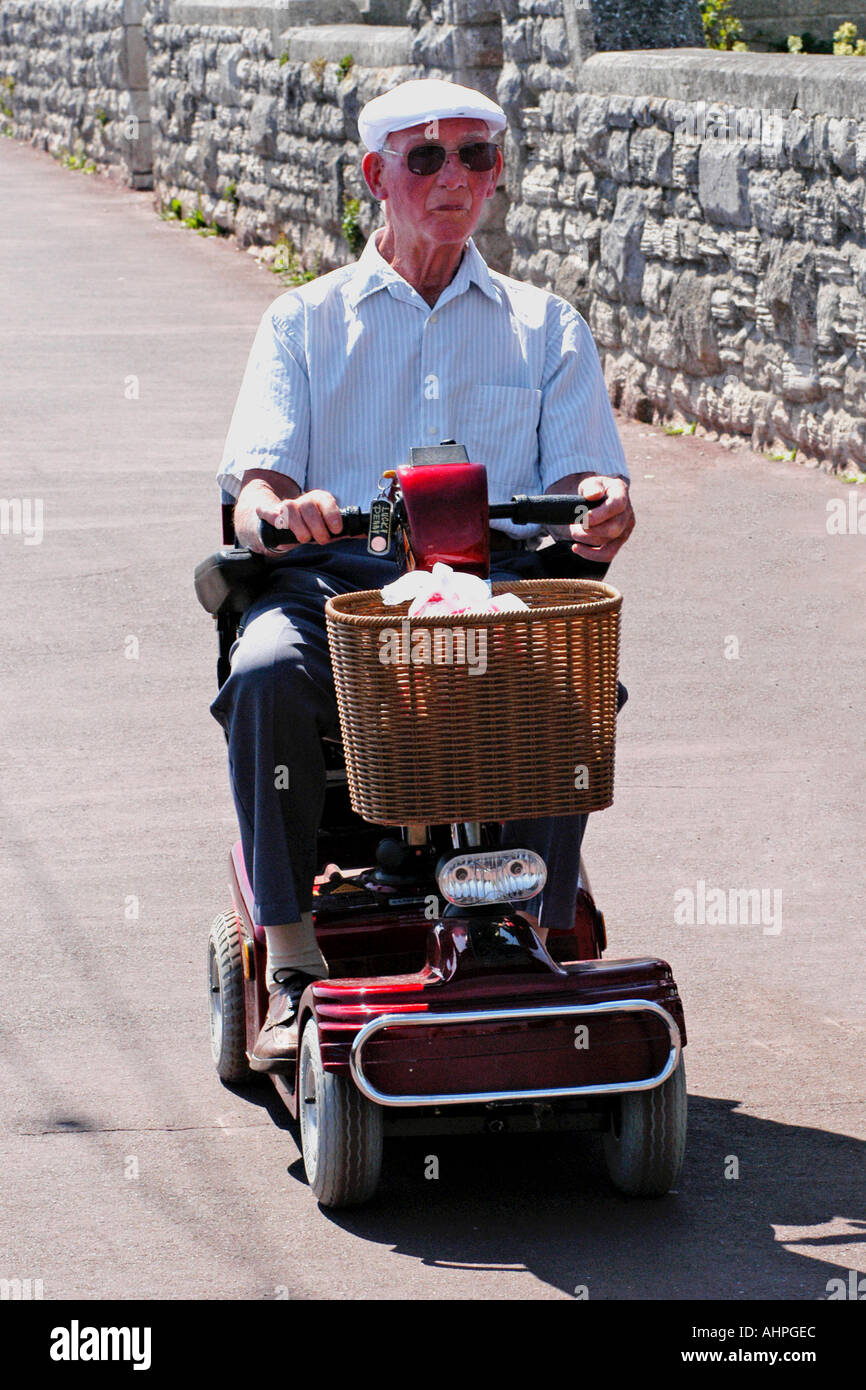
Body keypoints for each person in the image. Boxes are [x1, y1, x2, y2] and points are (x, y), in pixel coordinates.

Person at [211, 78, 635, 1070]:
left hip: (493, 593)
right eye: (426, 157)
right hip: (342, 592)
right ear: (374, 176)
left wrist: (604, 500)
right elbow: (254, 487)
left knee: (577, 670)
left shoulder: (543, 325)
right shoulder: (302, 322)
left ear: (494, 177)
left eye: (475, 156)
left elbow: (585, 474)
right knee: (265, 662)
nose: (454, 178)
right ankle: (288, 950)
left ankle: (534, 909)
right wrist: (279, 510)